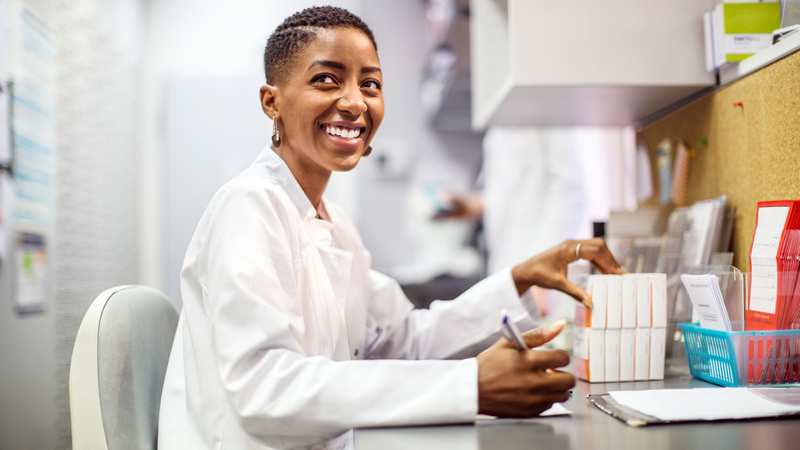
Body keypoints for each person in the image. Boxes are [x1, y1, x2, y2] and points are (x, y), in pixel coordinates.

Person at [158, 6, 626, 450]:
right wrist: (470, 385)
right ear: (271, 102)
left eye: (371, 84)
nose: (354, 102)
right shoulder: (249, 207)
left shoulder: (334, 224)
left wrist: (519, 277)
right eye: (327, 79)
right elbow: (263, 389)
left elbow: (407, 340)